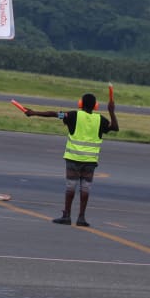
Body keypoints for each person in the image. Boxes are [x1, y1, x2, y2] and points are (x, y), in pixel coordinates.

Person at [25, 92, 118, 227]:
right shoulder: (101, 120)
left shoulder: (73, 115)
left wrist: (34, 113)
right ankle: (81, 218)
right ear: (95, 106)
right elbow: (115, 128)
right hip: (90, 161)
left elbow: (54, 114)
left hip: (73, 159)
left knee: (70, 187)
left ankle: (67, 216)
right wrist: (111, 111)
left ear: (80, 104)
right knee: (85, 188)